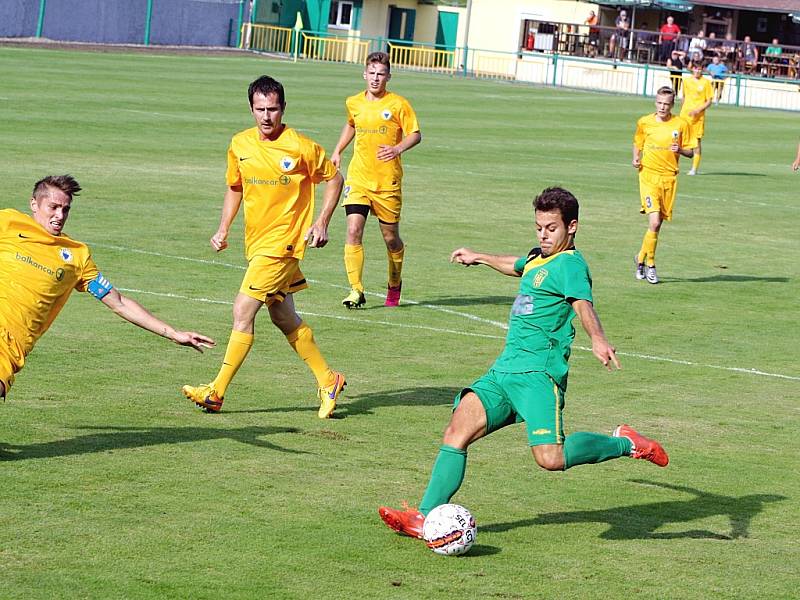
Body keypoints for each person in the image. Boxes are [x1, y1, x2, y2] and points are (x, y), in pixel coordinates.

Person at [377, 187, 669, 540]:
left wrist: (597, 338)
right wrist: (478, 256)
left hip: (538, 375)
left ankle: (625, 443)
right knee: (456, 432)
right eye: (539, 227)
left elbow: (582, 304)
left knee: (551, 459)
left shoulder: (571, 265)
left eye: (551, 228)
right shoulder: (538, 258)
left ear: (571, 227)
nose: (544, 235)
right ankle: (423, 517)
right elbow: (517, 265)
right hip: (503, 372)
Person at [181, 75, 346, 419]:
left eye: (273, 109)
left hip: (283, 244)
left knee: (243, 310)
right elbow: (235, 186)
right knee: (283, 316)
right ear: (251, 109)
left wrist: (322, 221)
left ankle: (216, 391)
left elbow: (335, 178)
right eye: (260, 109)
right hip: (257, 244)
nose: (267, 116)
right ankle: (328, 380)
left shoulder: (300, 147)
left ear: (283, 108)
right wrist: (223, 227)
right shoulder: (239, 144)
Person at [0, 176, 215, 400]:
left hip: (9, 347)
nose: (59, 216)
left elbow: (119, 303)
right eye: (53, 207)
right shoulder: (8, 223)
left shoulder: (76, 256)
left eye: (65, 209)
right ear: (34, 204)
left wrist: (172, 333)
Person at [330, 52, 421, 309]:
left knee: (390, 238)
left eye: (381, 74)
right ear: (364, 74)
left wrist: (397, 149)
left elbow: (415, 134)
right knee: (352, 230)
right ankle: (356, 290)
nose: (375, 78)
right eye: (372, 73)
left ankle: (394, 282)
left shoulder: (398, 104)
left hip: (387, 182)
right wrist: (338, 150)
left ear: (388, 77)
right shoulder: (354, 102)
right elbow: (351, 124)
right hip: (359, 178)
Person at [633, 86, 692, 284]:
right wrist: (635, 158)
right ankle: (651, 264)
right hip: (648, 176)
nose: (662, 107)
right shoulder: (645, 122)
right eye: (659, 103)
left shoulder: (681, 124)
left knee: (656, 227)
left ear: (672, 105)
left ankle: (640, 258)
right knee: (655, 222)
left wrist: (681, 150)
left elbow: (692, 151)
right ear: (655, 102)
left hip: (669, 178)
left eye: (666, 104)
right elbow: (638, 142)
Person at [680, 62, 714, 175]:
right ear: (692, 69)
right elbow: (684, 97)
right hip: (685, 115)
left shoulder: (706, 83)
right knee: (677, 139)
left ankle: (694, 168)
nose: (698, 71)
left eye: (700, 69)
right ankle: (673, 164)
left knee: (696, 142)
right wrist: (681, 110)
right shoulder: (686, 81)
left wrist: (698, 110)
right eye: (696, 68)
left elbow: (709, 101)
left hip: (697, 118)